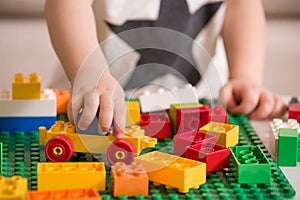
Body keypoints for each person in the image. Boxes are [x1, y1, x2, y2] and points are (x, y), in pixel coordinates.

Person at [44, 0, 287, 137]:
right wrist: (89, 73)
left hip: (200, 105)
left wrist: (245, 75)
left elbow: (241, 5)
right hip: (91, 102)